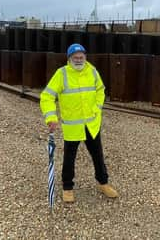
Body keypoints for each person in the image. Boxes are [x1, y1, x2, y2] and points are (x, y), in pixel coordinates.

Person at [40, 43, 119, 203]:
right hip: (73, 126)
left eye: (81, 57)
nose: (78, 60)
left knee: (98, 156)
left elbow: (100, 90)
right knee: (70, 158)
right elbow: (47, 96)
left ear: (85, 57)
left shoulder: (92, 71)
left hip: (91, 124)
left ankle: (103, 183)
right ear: (69, 59)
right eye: (75, 57)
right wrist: (51, 117)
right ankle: (67, 188)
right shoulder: (61, 74)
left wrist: (97, 108)